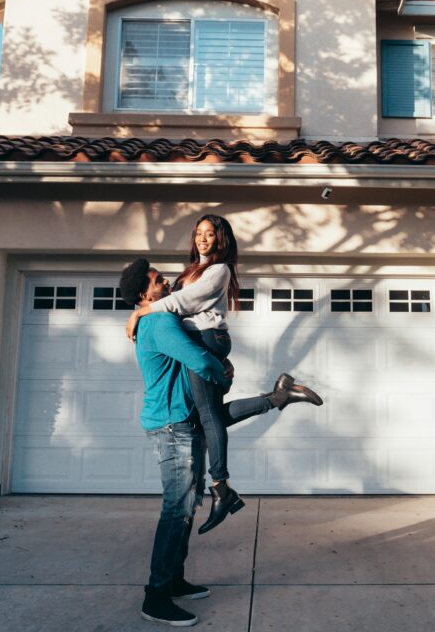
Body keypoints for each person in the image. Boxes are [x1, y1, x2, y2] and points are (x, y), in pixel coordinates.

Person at [120, 259, 321, 627]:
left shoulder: (159, 318)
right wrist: (223, 373)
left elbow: (205, 389)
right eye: (156, 280)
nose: (165, 281)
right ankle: (156, 596)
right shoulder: (160, 321)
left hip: (183, 420)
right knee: (176, 510)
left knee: (186, 506)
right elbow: (199, 360)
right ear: (142, 294)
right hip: (171, 426)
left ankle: (174, 580)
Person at [125, 215, 322, 534]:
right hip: (200, 339)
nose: (203, 238)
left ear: (221, 238)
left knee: (208, 416)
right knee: (211, 415)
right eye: (199, 232)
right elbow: (177, 300)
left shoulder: (219, 269)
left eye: (210, 233)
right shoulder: (192, 269)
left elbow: (184, 301)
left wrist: (141, 311)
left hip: (206, 337)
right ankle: (279, 396)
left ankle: (221, 486)